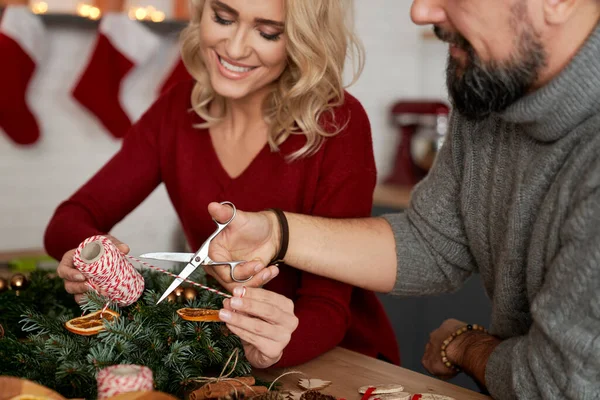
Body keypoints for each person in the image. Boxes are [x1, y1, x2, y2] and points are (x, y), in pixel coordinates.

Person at [204, 0, 600, 398]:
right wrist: (278, 232)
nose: (420, 12)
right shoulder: (492, 79)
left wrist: (465, 346)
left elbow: (558, 385)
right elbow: (434, 240)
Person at [45, 0, 400, 370]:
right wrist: (87, 254)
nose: (233, 48)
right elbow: (70, 219)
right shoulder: (175, 111)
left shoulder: (339, 123)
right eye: (223, 18)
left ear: (300, 39)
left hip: (338, 362)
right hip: (230, 350)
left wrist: (273, 350)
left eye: (267, 33)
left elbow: (328, 309)